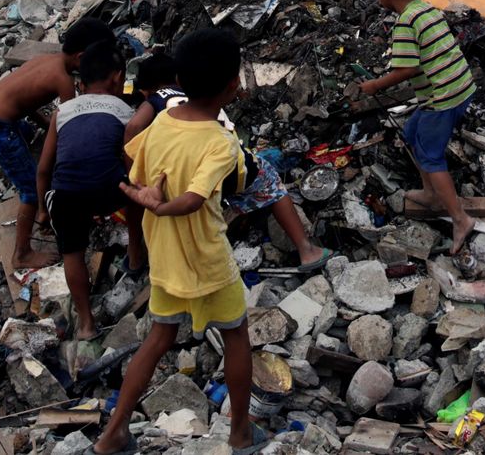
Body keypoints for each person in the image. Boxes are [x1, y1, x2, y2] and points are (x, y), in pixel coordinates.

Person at [97, 29, 264, 455]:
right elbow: (192, 200)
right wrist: (161, 205)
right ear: (232, 86)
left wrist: (145, 197)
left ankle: (114, 431)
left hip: (165, 260)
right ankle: (240, 432)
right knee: (237, 337)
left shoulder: (159, 124)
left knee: (158, 339)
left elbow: (135, 168)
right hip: (208, 260)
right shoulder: (221, 142)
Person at [131, 56, 329, 271]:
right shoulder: (198, 94)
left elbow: (133, 126)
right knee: (271, 180)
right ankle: (306, 250)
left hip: (195, 177)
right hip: (233, 168)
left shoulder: (155, 101)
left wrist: (133, 170)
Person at [0, 17, 115, 269]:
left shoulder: (46, 60)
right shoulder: (64, 81)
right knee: (30, 191)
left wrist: (47, 124)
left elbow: (26, 99)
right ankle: (22, 253)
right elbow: (72, 127)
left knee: (33, 142)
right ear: (81, 58)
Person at [359, 0, 479, 253]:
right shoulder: (427, 10)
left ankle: (459, 218)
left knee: (431, 156)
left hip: (441, 99)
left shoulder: (404, 24)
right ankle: (430, 193)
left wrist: (374, 85)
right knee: (412, 134)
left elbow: (407, 69)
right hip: (459, 88)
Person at [36, 41, 147, 341]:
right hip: (108, 189)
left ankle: (85, 324)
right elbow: (131, 162)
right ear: (116, 77)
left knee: (72, 252)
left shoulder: (63, 111)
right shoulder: (125, 110)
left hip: (67, 193)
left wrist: (43, 210)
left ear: (80, 83)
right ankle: (136, 258)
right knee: (135, 195)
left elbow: (45, 167)